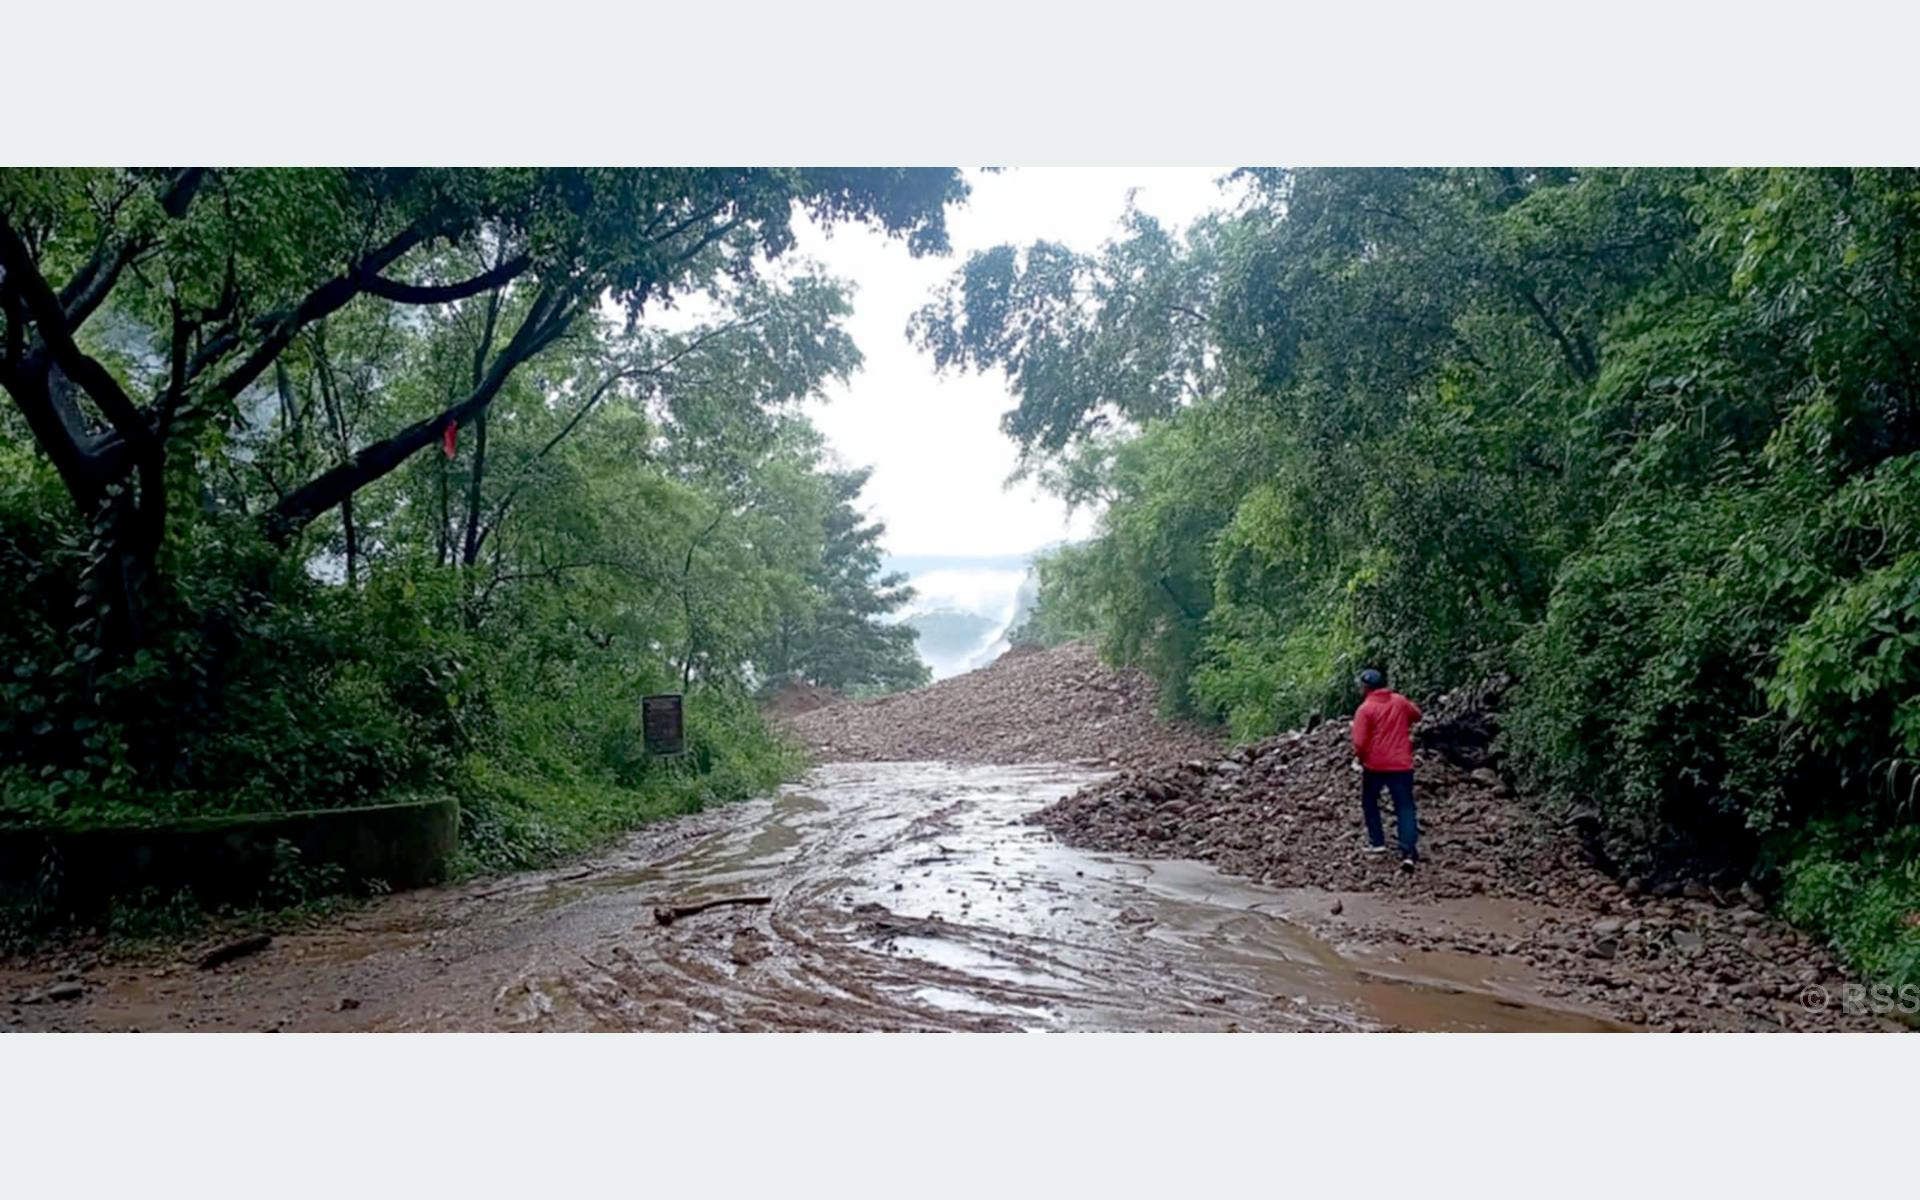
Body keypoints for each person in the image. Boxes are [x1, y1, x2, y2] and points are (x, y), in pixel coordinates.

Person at [1351, 667, 1422, 871]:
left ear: (1366, 687)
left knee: (1370, 802)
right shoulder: (1399, 701)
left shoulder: (1365, 709)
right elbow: (1417, 715)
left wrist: (1361, 759)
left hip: (1375, 765)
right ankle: (1408, 852)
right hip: (1401, 764)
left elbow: (1359, 742)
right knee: (1405, 806)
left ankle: (1377, 843)